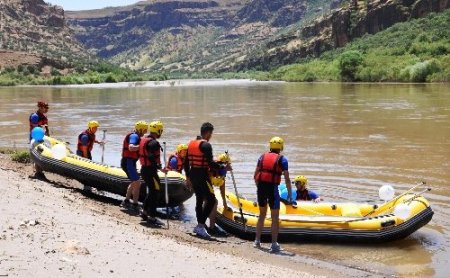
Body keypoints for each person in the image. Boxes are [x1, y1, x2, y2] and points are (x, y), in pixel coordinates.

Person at [253, 136, 291, 253]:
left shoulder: (262, 157)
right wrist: (289, 193)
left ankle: (257, 241)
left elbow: (255, 175)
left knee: (262, 215)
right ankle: (274, 244)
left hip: (261, 188)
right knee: (275, 218)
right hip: (272, 189)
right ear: (281, 147)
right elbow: (287, 178)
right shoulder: (282, 160)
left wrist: (259, 187)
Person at [184, 122, 221, 239]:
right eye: (211, 133)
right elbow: (210, 163)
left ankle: (199, 226)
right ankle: (200, 225)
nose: (211, 136)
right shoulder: (206, 145)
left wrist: (188, 177)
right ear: (208, 132)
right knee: (211, 200)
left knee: (199, 200)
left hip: (193, 174)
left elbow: (186, 163)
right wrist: (223, 167)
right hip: (202, 175)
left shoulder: (190, 144)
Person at [139, 121, 167, 226]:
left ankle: (145, 212)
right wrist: (160, 168)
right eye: (161, 131)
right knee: (155, 192)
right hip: (150, 171)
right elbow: (151, 156)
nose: (161, 132)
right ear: (158, 131)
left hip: (145, 170)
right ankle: (152, 217)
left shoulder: (145, 139)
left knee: (152, 192)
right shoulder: (153, 143)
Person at [120, 120, 148, 212]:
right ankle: (135, 204)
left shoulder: (136, 136)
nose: (145, 132)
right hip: (128, 162)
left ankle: (126, 201)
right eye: (144, 130)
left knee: (134, 182)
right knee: (137, 183)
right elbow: (131, 147)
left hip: (130, 162)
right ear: (140, 129)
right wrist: (142, 147)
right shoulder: (134, 136)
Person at [207, 152, 231, 237]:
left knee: (212, 202)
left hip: (208, 186)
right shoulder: (212, 169)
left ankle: (210, 225)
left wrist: (225, 203)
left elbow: (222, 190)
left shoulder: (222, 174)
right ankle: (211, 227)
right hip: (203, 183)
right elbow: (207, 181)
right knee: (214, 202)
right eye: (227, 165)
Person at [29, 101, 50, 180]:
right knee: (37, 153)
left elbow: (47, 129)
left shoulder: (44, 117)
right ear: (41, 107)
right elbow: (35, 130)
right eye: (46, 108)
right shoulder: (35, 116)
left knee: (41, 153)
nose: (47, 110)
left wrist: (48, 137)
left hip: (42, 137)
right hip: (35, 138)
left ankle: (39, 171)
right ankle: (38, 172)